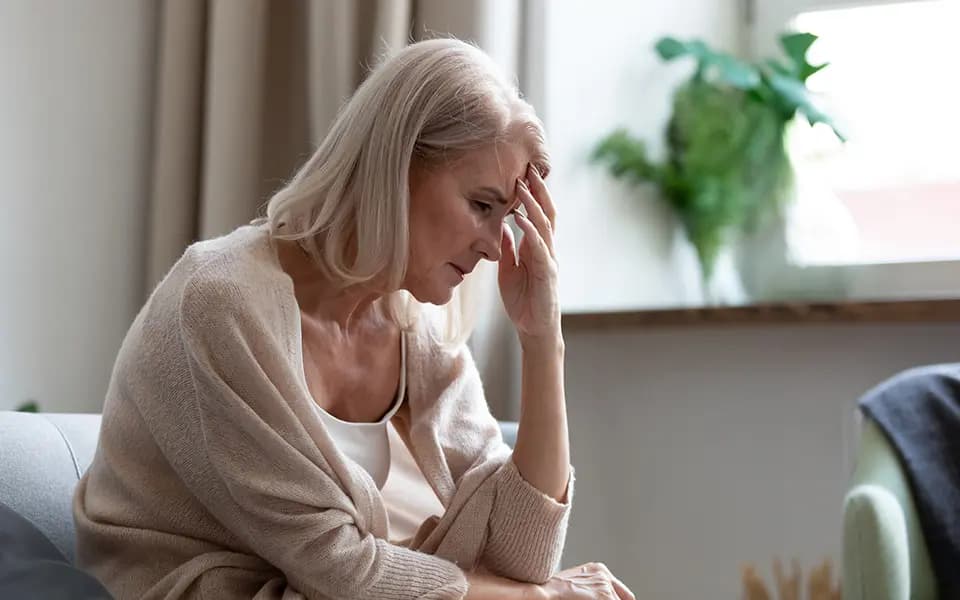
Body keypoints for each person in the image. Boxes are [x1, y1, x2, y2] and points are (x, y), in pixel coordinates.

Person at [73, 37, 634, 600]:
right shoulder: (219, 301)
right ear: (396, 167)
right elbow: (340, 570)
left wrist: (543, 342)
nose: (494, 247)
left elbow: (522, 554)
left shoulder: (412, 324)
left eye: (507, 218)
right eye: (482, 206)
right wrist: (538, 599)